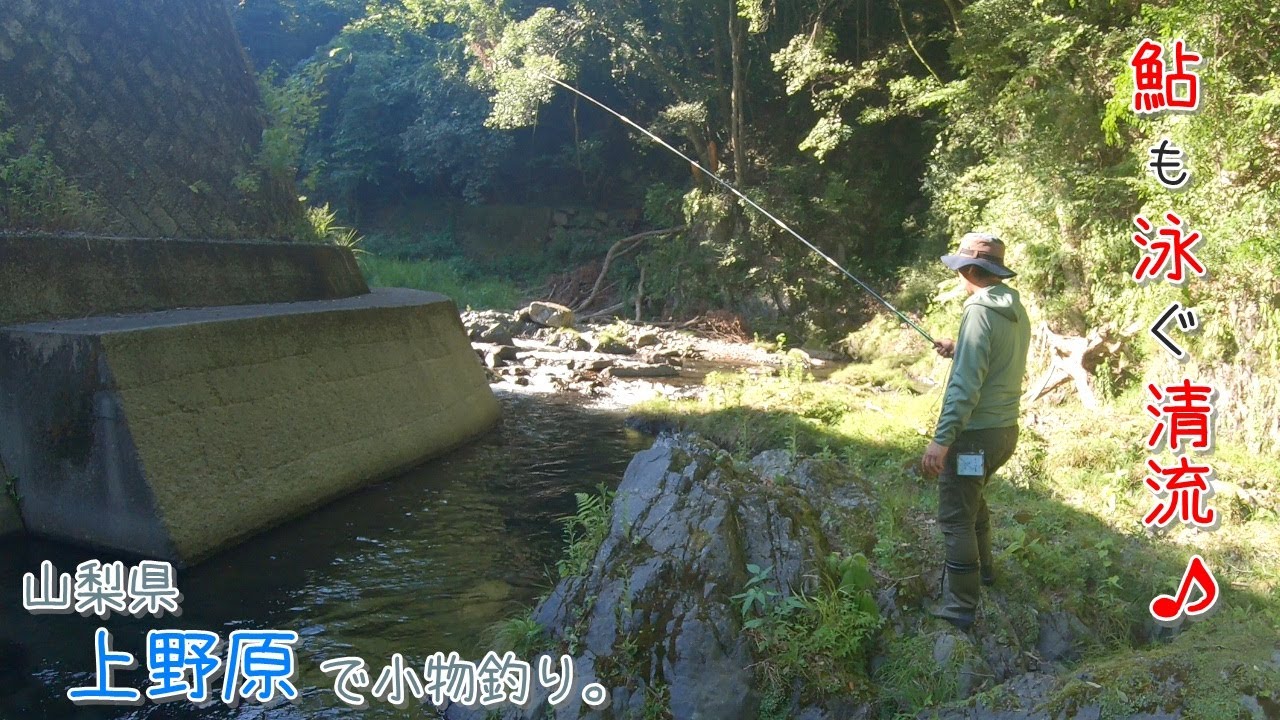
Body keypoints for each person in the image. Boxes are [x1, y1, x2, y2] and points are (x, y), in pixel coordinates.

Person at [920, 232, 1031, 631]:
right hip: (1005, 432)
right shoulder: (1013, 308)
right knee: (974, 500)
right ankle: (985, 575)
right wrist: (959, 347)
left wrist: (942, 439)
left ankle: (960, 607)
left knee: (955, 517)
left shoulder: (978, 311)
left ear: (970, 269)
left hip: (975, 436)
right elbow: (994, 357)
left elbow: (965, 387)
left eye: (960, 269)